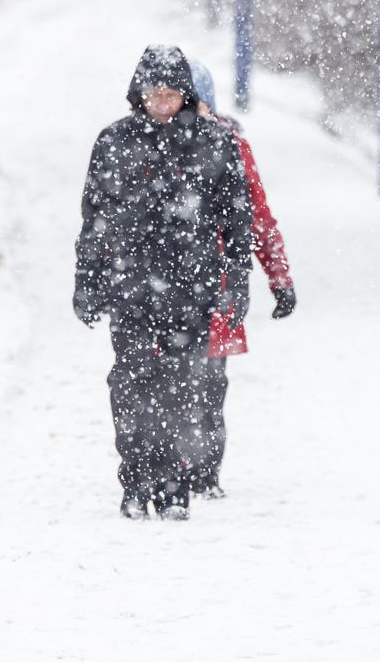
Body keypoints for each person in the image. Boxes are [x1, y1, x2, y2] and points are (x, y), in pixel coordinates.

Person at [74, 45, 255, 520]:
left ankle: (174, 485)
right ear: (138, 94)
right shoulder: (114, 142)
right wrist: (88, 281)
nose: (161, 103)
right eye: (153, 93)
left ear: (185, 95)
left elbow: (238, 222)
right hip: (130, 288)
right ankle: (136, 481)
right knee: (131, 386)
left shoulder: (215, 144)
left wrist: (237, 283)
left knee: (182, 388)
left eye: (170, 94)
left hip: (192, 289)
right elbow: (95, 219)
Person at [185, 60, 295, 499]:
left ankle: (203, 471)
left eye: (195, 103)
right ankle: (176, 467)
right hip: (169, 287)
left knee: (209, 384)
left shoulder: (228, 148)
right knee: (170, 382)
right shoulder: (145, 145)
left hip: (217, 284)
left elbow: (257, 219)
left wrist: (278, 277)